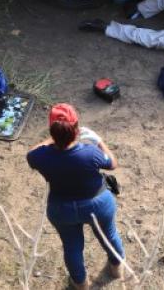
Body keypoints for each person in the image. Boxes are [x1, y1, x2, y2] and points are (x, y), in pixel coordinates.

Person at [27, 104, 124, 289]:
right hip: (98, 204)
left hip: (62, 209)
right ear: (76, 128)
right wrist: (99, 141)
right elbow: (113, 164)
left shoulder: (40, 157)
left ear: (52, 130)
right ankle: (116, 268)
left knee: (72, 247)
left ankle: (80, 284)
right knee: (109, 235)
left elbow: (30, 153)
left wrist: (51, 138)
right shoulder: (90, 152)